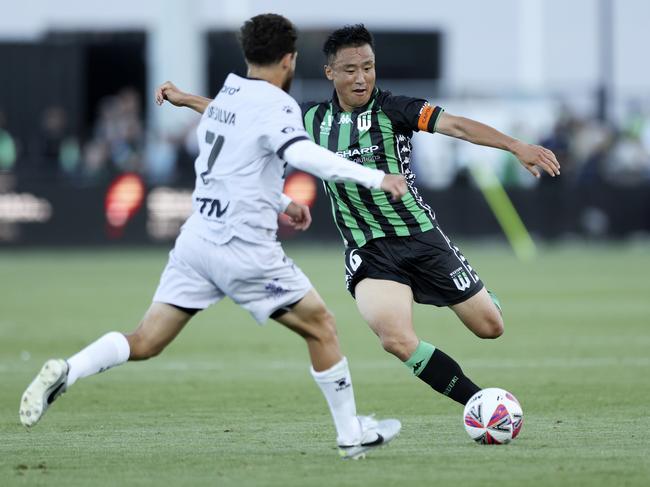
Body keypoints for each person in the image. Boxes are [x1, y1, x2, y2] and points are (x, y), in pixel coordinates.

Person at [19, 14, 407, 460]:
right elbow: (302, 153)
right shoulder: (279, 104)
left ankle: (69, 370)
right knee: (322, 327)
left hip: (197, 243)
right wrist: (376, 177)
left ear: (248, 56)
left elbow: (231, 166)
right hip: (244, 250)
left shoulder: (230, 93)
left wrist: (282, 202)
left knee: (145, 341)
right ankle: (350, 435)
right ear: (290, 59)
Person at [165, 23, 561, 410]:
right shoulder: (309, 119)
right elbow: (241, 117)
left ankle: (481, 297)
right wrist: (189, 100)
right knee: (396, 340)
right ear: (330, 72)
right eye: (351, 70)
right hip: (370, 252)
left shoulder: (396, 109)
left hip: (420, 236)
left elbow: (455, 125)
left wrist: (514, 145)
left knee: (490, 328)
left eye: (368, 67)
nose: (361, 78)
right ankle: (478, 404)